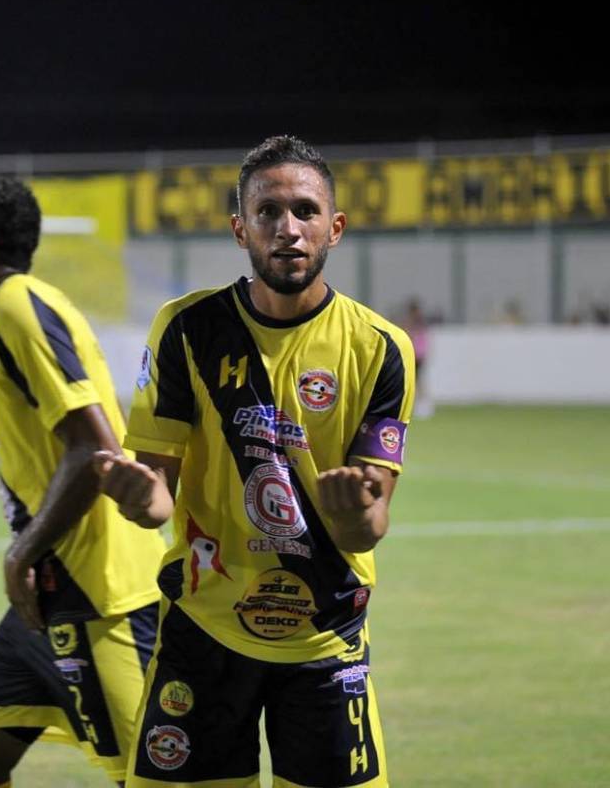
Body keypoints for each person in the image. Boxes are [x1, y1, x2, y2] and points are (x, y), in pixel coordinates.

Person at [95, 135, 414, 787]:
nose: (288, 228)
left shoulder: (380, 347)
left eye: (305, 210)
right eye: (268, 212)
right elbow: (158, 492)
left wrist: (354, 513)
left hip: (324, 636)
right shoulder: (186, 328)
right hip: (204, 631)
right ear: (240, 228)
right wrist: (140, 496)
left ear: (335, 227)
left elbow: (370, 526)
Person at [0, 175, 166, 788]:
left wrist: (22, 552)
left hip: (98, 591)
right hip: (54, 587)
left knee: (153, 776)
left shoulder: (15, 306)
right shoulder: (13, 309)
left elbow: (94, 450)